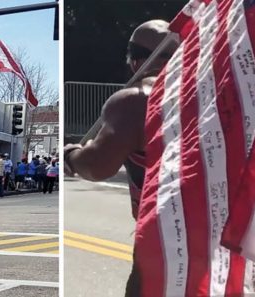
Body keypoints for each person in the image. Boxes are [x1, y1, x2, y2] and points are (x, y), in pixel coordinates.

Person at [64, 20, 179, 296]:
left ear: (134, 60)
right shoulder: (214, 94)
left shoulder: (134, 101)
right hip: (225, 236)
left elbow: (97, 166)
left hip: (164, 236)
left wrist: (71, 155)